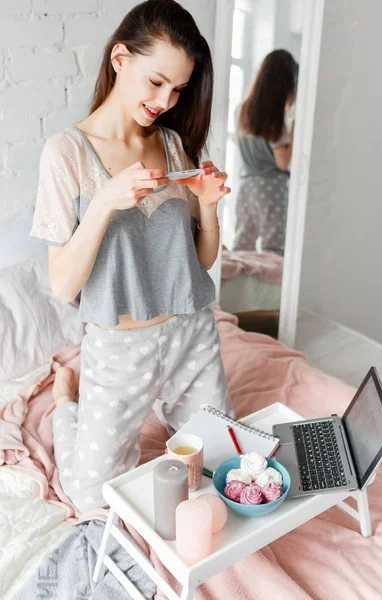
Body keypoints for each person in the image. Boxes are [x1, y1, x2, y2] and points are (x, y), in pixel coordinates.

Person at [30, 0, 233, 511]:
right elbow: (63, 284)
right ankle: (64, 401)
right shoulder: (67, 154)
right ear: (121, 58)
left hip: (191, 335)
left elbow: (199, 262)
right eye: (156, 82)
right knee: (91, 496)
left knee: (219, 468)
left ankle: (173, 411)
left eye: (179, 89)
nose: (166, 100)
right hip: (121, 353)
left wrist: (207, 208)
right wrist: (104, 202)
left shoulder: (169, 145)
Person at [233, 49, 299, 255]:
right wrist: (296, 128)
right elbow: (283, 162)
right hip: (272, 187)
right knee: (274, 248)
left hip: (246, 185)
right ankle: (268, 288)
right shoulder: (275, 119)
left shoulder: (242, 110)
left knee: (242, 245)